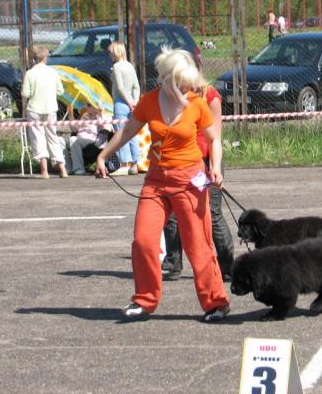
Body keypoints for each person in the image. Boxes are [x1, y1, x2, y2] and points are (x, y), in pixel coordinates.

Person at [95, 47, 230, 322]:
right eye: (182, 80)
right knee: (144, 241)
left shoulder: (197, 103)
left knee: (198, 245)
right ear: (168, 78)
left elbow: (214, 138)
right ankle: (144, 300)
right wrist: (103, 154)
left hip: (189, 180)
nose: (188, 86)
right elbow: (128, 130)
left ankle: (216, 302)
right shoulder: (150, 101)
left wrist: (215, 168)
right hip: (155, 182)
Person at [161, 76, 234, 282]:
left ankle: (227, 266)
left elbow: (215, 137)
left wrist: (215, 168)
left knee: (212, 213)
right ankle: (172, 263)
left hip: (205, 160)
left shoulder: (210, 96)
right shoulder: (176, 95)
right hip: (181, 162)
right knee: (172, 214)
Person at [21, 45, 68, 178]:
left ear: (34, 59)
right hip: (51, 108)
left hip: (34, 108)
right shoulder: (53, 72)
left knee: (38, 138)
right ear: (45, 58)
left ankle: (44, 171)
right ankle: (62, 169)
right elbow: (60, 91)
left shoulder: (30, 73)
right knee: (52, 137)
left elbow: (25, 93)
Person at [108, 41, 142, 176]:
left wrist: (128, 102)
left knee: (121, 133)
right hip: (132, 103)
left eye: (110, 52)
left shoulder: (116, 67)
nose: (110, 55)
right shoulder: (130, 66)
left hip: (121, 103)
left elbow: (120, 88)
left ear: (116, 52)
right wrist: (135, 102)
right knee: (132, 133)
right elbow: (136, 87)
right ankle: (135, 163)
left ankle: (124, 164)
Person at [66, 103, 112, 175]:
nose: (86, 107)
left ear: (96, 106)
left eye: (89, 105)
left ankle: (79, 169)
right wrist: (70, 114)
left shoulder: (106, 116)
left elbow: (107, 129)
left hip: (94, 142)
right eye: (87, 104)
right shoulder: (85, 116)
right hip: (79, 140)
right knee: (60, 141)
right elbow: (74, 130)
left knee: (73, 139)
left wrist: (100, 115)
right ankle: (68, 169)